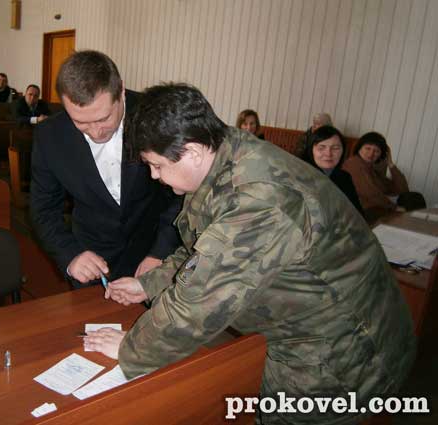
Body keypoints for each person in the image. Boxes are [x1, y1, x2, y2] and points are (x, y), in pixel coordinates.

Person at [83, 84, 415, 425]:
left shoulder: (259, 200)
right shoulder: (222, 154)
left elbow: (198, 305)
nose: (154, 176)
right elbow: (204, 250)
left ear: (192, 151)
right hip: (314, 328)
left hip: (345, 355)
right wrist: (149, 284)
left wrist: (130, 350)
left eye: (157, 165)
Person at [30, 50, 181, 288]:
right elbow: (43, 209)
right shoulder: (50, 136)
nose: (95, 132)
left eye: (103, 119)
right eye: (80, 122)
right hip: (91, 259)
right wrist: (71, 255)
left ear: (121, 92)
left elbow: (180, 194)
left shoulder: (155, 113)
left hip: (153, 252)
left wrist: (161, 251)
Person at [342, 132, 421, 223]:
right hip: (361, 211)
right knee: (408, 212)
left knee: (414, 198)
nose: (371, 154)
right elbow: (371, 193)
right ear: (359, 148)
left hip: (376, 207)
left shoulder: (371, 168)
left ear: (382, 154)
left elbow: (403, 189)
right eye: (368, 148)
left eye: (376, 151)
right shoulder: (353, 164)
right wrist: (394, 207)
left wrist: (390, 164)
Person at [302, 125, 363, 215]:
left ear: (343, 151)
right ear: (311, 150)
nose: (328, 154)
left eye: (335, 148)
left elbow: (357, 213)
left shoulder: (344, 177)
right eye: (321, 148)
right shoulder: (299, 175)